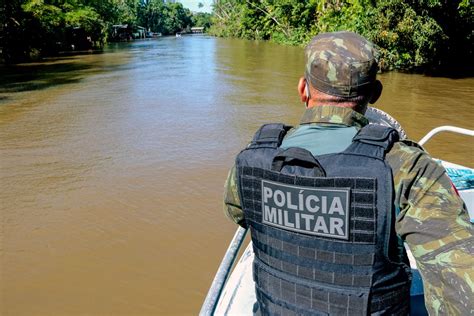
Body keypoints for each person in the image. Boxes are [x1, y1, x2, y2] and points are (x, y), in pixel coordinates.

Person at [224, 31, 473, 315]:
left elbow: (238, 213)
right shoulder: (406, 167)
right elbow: (463, 291)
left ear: (303, 89)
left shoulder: (254, 156)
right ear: (375, 94)